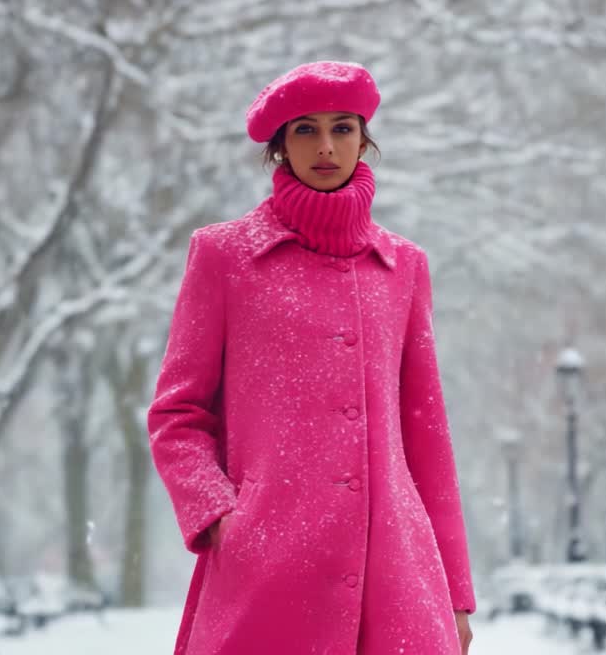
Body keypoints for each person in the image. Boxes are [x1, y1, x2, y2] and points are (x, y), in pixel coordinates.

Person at [147, 61, 476, 655]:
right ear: (280, 146)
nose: (326, 147)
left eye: (343, 128)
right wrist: (223, 515)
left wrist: (453, 593)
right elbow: (178, 413)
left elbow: (427, 439)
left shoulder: (404, 268)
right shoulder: (224, 257)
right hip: (266, 571)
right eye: (305, 130)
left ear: (363, 139)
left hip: (396, 578)